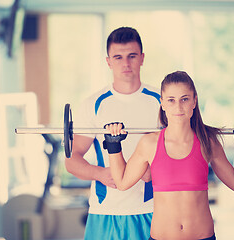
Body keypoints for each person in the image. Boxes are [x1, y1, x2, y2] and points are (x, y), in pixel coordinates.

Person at [103, 71, 234, 240]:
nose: (178, 107)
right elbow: (122, 182)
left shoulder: (208, 142)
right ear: (162, 103)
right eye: (171, 100)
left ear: (194, 101)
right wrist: (114, 145)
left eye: (184, 99)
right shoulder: (149, 144)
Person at [65, 27, 161, 239]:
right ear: (108, 61)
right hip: (105, 211)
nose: (125, 64)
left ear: (142, 58)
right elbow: (72, 160)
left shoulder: (162, 101)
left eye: (132, 56)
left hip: (153, 210)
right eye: (118, 57)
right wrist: (99, 173)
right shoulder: (94, 104)